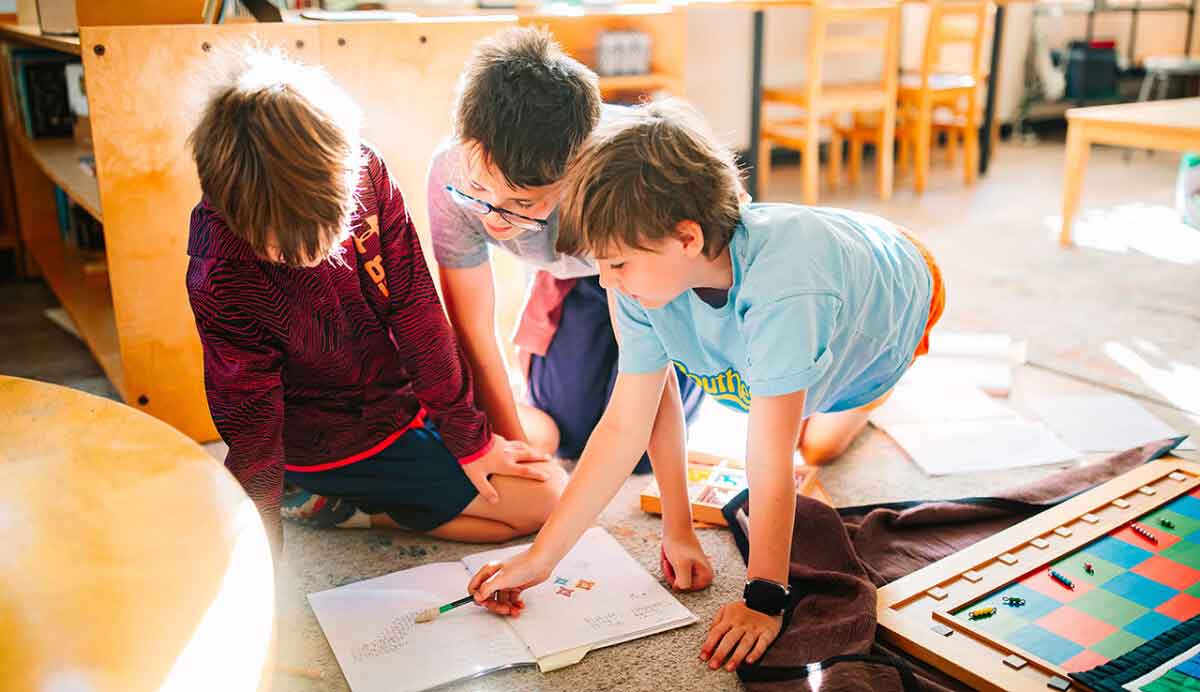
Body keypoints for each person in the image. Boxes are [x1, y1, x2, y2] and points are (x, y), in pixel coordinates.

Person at [466, 100, 946, 672]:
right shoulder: (641, 283)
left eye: (615, 263)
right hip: (796, 322)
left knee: (814, 444)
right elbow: (624, 425)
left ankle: (861, 393)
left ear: (687, 238)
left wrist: (765, 596)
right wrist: (542, 557)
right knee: (782, 409)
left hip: (898, 301)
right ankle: (804, 385)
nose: (604, 280)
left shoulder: (785, 290)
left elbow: (770, 463)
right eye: (600, 263)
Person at [185, 48, 565, 556]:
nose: (297, 259)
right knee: (548, 497)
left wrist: (468, 438)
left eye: (323, 238)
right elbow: (250, 425)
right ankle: (349, 507)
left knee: (541, 436)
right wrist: (260, 555)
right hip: (332, 443)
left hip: (400, 399)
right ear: (232, 208)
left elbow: (415, 309)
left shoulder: (365, 170)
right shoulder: (219, 271)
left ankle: (365, 499)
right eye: (276, 248)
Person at [428, 27, 705, 472]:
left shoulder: (621, 170)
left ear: (574, 170)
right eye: (479, 191)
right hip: (571, 282)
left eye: (524, 203)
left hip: (658, 275)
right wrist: (516, 455)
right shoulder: (449, 175)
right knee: (572, 432)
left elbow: (662, 300)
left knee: (640, 450)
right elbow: (473, 328)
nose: (496, 219)